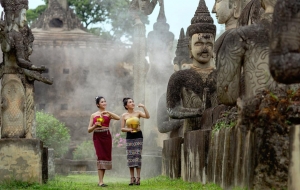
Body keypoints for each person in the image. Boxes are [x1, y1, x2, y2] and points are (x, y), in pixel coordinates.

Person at [87, 96, 120, 187]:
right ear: (98, 104)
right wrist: (95, 126)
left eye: (105, 101)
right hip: (97, 136)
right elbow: (89, 130)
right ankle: (100, 181)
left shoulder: (108, 114)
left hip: (106, 136)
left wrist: (108, 112)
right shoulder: (93, 115)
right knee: (100, 156)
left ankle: (101, 181)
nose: (104, 103)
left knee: (105, 157)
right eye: (102, 102)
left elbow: (118, 118)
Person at [121, 98, 150, 186]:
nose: (133, 103)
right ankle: (131, 177)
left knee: (137, 156)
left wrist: (144, 107)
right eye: (130, 102)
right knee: (130, 157)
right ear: (126, 106)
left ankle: (138, 178)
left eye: (133, 101)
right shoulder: (124, 115)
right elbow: (122, 128)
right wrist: (129, 129)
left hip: (138, 136)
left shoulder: (138, 113)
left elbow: (147, 116)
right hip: (129, 137)